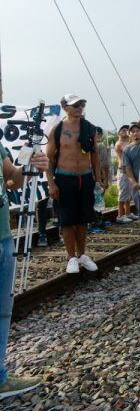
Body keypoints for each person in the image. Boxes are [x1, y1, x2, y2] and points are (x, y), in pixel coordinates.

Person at [0, 140, 48, 398]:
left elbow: (11, 180)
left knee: (2, 311)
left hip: (3, 237)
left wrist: (27, 166)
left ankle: (0, 378)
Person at [45, 95, 102, 274]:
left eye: (82, 104)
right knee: (67, 220)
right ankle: (71, 257)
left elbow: (95, 156)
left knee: (83, 219)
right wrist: (51, 183)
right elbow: (49, 159)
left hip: (84, 178)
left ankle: (82, 254)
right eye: (75, 105)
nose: (79, 107)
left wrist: (98, 179)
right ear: (65, 107)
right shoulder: (57, 129)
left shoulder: (89, 128)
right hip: (64, 178)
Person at [88, 126, 111, 233]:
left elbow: (105, 164)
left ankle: (98, 221)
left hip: (93, 176)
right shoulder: (101, 146)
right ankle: (96, 222)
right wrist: (105, 180)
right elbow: (105, 165)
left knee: (96, 201)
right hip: (97, 177)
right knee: (96, 201)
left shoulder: (91, 145)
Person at [114, 125, 135, 224]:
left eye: (127, 130)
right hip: (123, 170)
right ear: (118, 133)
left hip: (129, 170)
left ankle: (128, 213)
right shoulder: (120, 143)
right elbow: (128, 150)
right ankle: (120, 216)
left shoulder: (129, 142)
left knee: (128, 193)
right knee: (123, 193)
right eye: (123, 130)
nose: (125, 131)